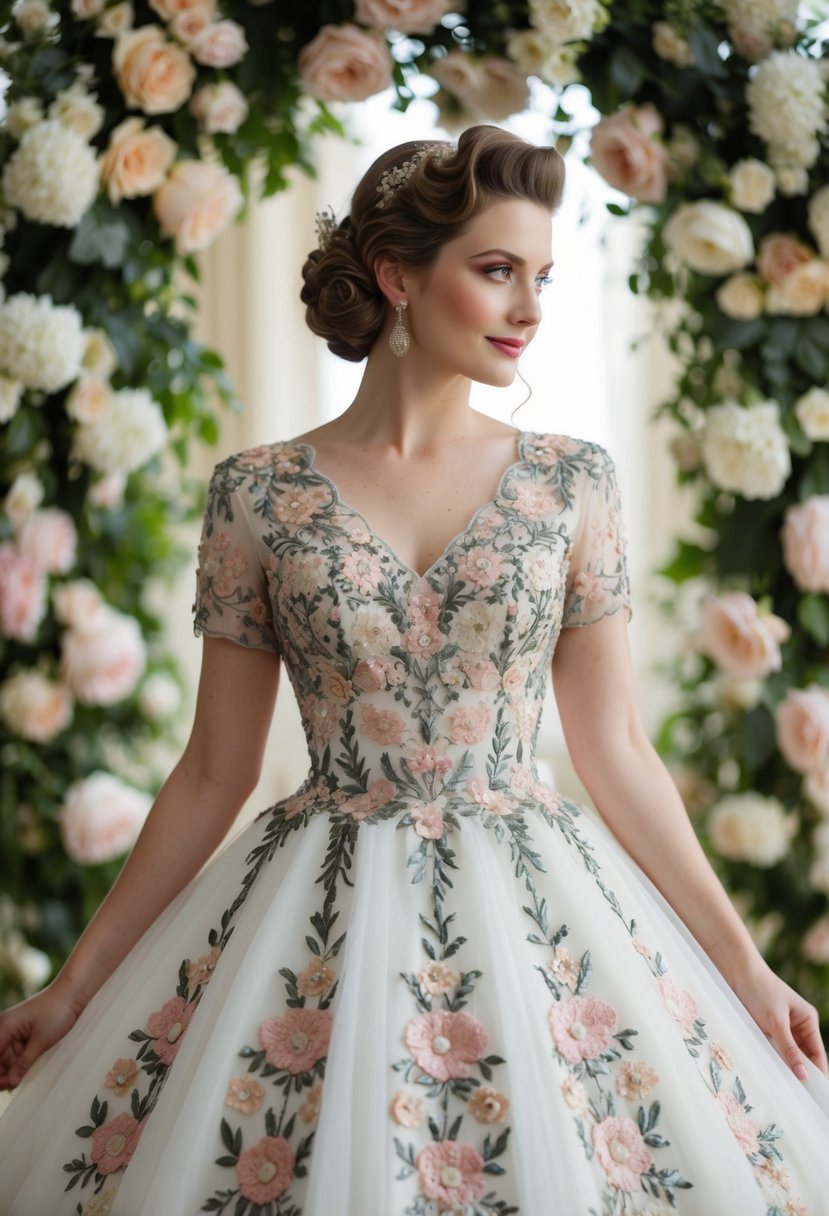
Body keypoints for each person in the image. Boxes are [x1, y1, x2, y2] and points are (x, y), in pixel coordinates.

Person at [0, 124, 827, 1216]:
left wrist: (744, 970)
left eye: (540, 276)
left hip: (540, 909)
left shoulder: (571, 483)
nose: (529, 308)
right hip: (313, 920)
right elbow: (214, 768)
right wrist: (77, 985)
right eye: (496, 272)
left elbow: (615, 748)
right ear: (397, 276)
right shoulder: (258, 494)